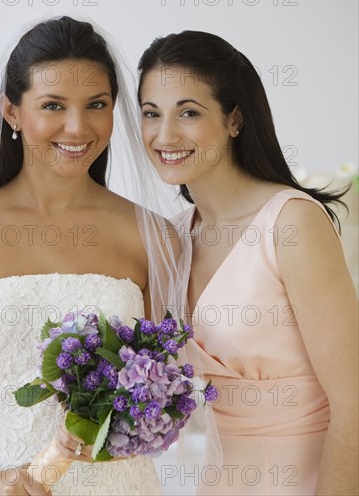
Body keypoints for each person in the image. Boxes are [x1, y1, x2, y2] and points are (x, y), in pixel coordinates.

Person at [0, 16, 199, 496]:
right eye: (53, 105)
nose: (77, 127)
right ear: (12, 111)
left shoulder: (153, 236)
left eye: (96, 105)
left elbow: (173, 381)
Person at [137, 30, 358, 495]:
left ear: (234, 119)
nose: (165, 134)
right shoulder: (169, 237)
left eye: (189, 112)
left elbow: (354, 401)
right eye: (151, 114)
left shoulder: (291, 224)